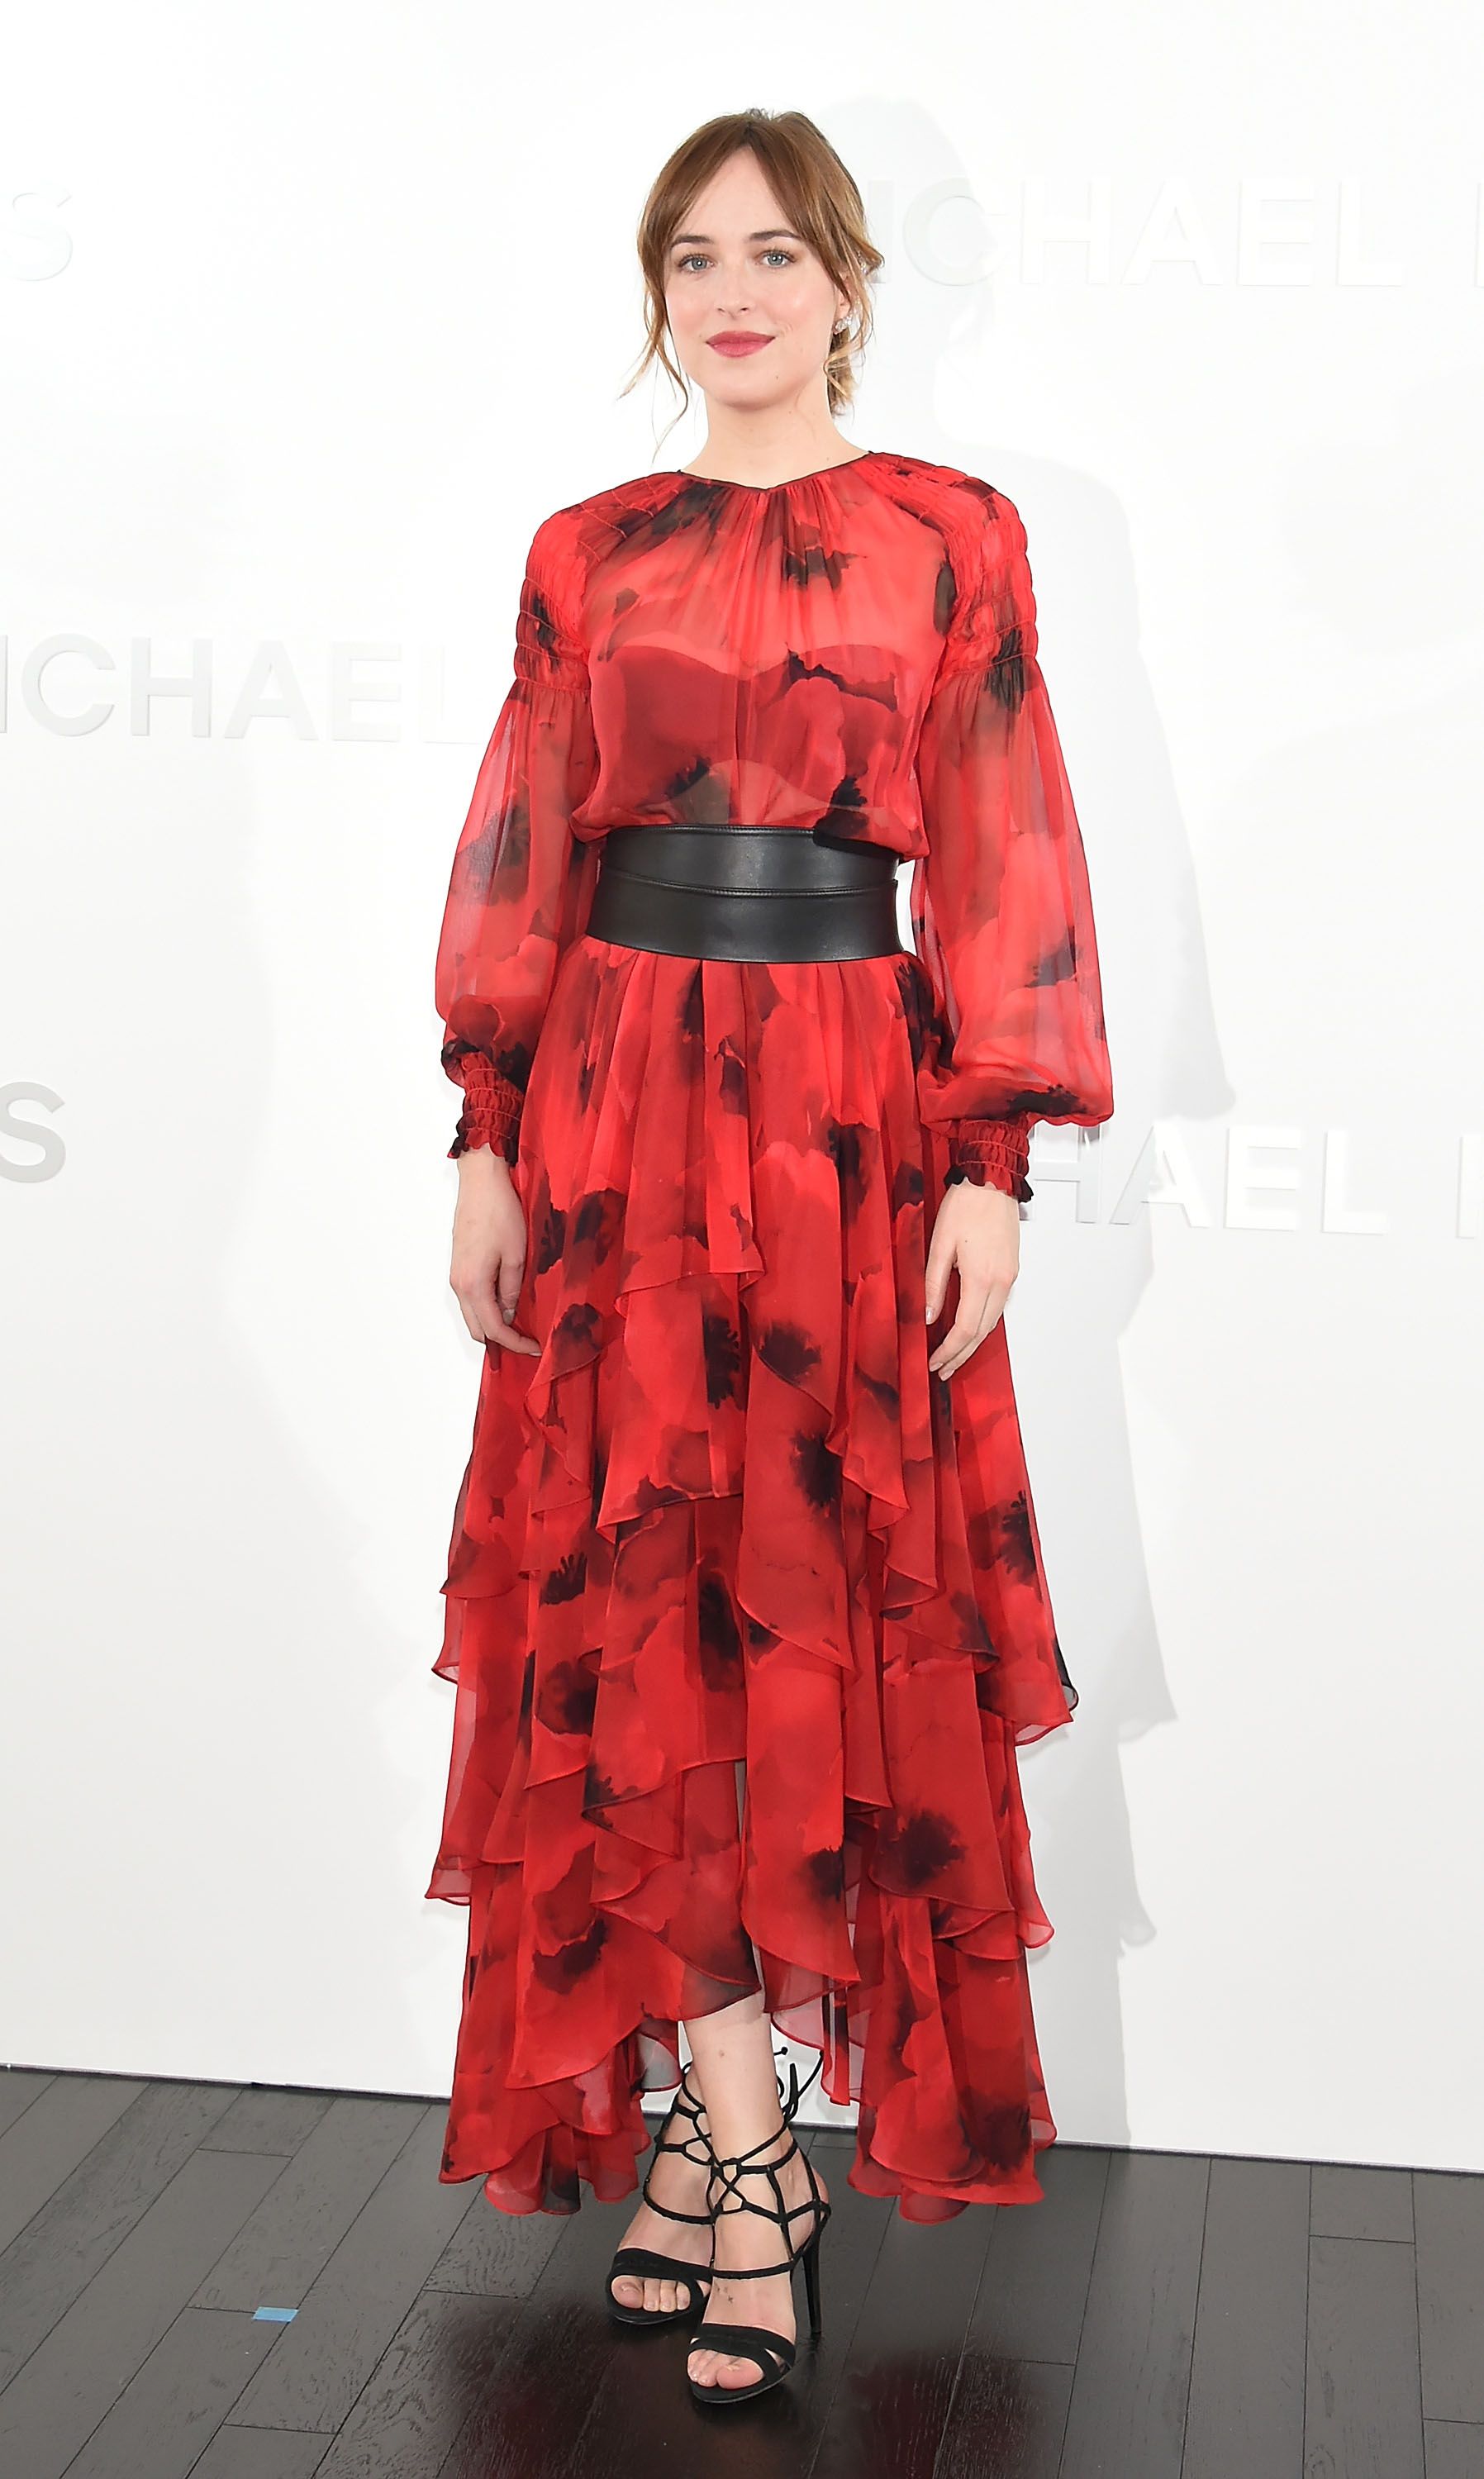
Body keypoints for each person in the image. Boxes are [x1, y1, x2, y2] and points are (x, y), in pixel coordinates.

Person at [424, 107, 1115, 2409]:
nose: (733, 295)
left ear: (846, 282)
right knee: (637, 1616)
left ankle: (738, 2164)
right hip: (614, 1107)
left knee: (800, 1613)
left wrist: (991, 1158)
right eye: (694, 259)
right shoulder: (585, 549)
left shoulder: (951, 534)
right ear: (659, 295)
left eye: (773, 254)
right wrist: (486, 1130)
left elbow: (1002, 837)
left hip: (839, 1113)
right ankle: (738, 2147)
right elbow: (527, 843)